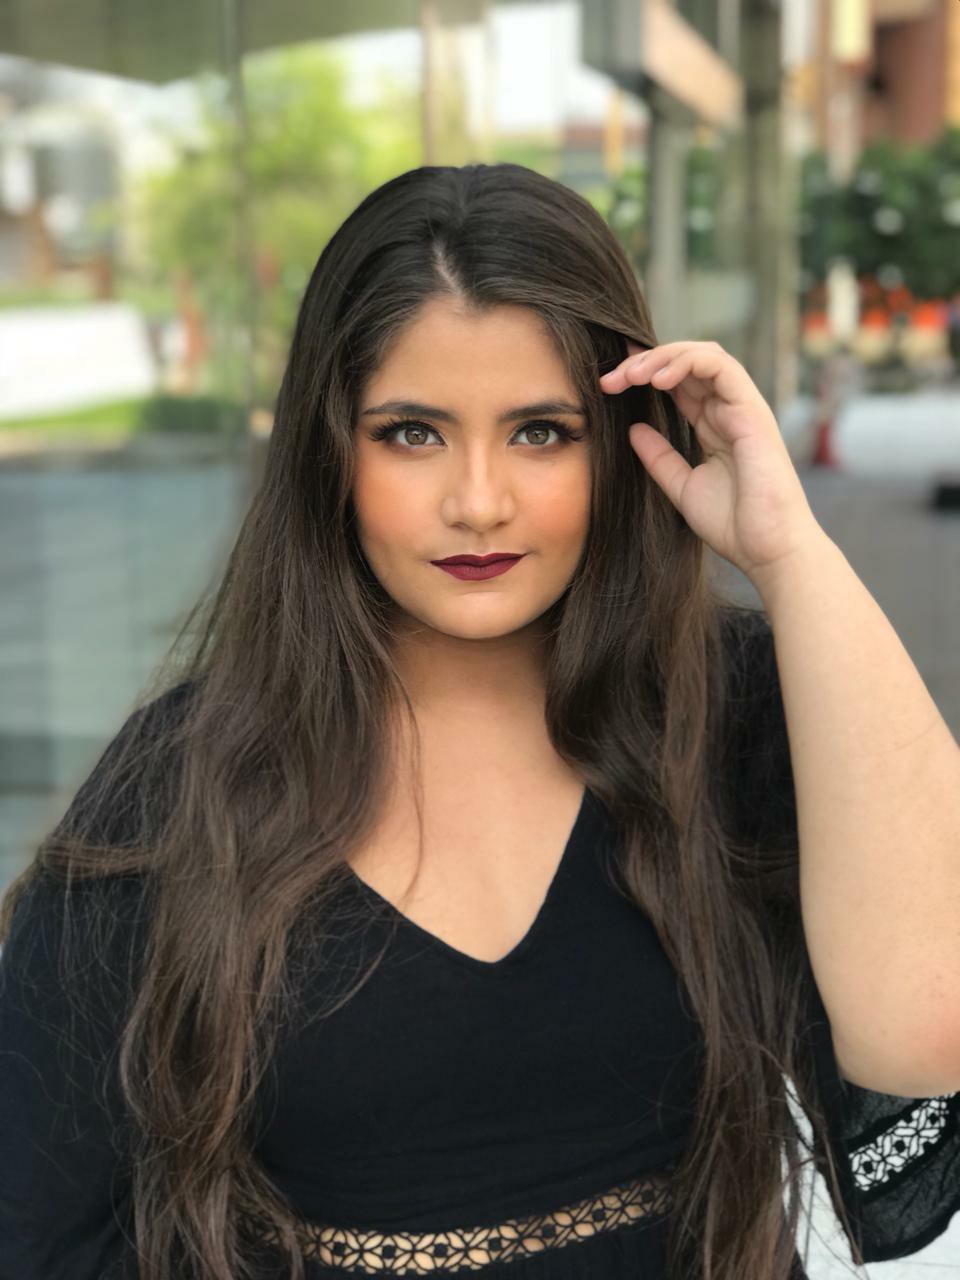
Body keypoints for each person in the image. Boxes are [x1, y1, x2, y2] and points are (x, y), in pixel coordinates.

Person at [1, 163, 957, 1280]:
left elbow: (929, 1026)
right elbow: (36, 1224)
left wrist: (791, 554)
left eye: (541, 432)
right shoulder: (186, 775)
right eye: (412, 433)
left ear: (620, 441)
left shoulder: (721, 705)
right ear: (330, 449)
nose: (478, 502)